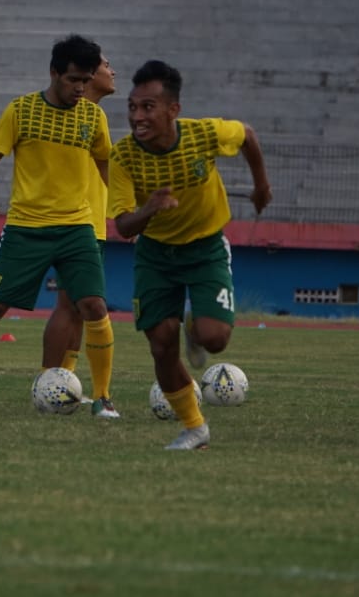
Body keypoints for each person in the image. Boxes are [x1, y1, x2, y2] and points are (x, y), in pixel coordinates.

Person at [0, 34, 116, 414]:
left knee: (93, 305)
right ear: (54, 72)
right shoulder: (21, 110)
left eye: (86, 80)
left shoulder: (94, 116)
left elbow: (105, 162)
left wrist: (124, 206)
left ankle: (105, 398)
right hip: (27, 228)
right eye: (74, 79)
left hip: (77, 227)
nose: (80, 87)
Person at [108, 60, 271, 449]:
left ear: (172, 110)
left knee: (214, 340)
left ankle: (195, 322)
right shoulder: (123, 157)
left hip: (205, 248)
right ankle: (195, 428)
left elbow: (247, 135)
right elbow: (124, 227)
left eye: (148, 107)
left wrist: (261, 186)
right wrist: (150, 208)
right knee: (161, 344)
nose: (137, 117)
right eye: (132, 107)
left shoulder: (204, 134)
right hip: (155, 255)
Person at [40, 52, 118, 417]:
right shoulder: (77, 112)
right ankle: (48, 383)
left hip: (91, 220)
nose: (111, 71)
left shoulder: (92, 115)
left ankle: (62, 381)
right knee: (71, 306)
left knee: (77, 308)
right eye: (106, 66)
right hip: (77, 220)